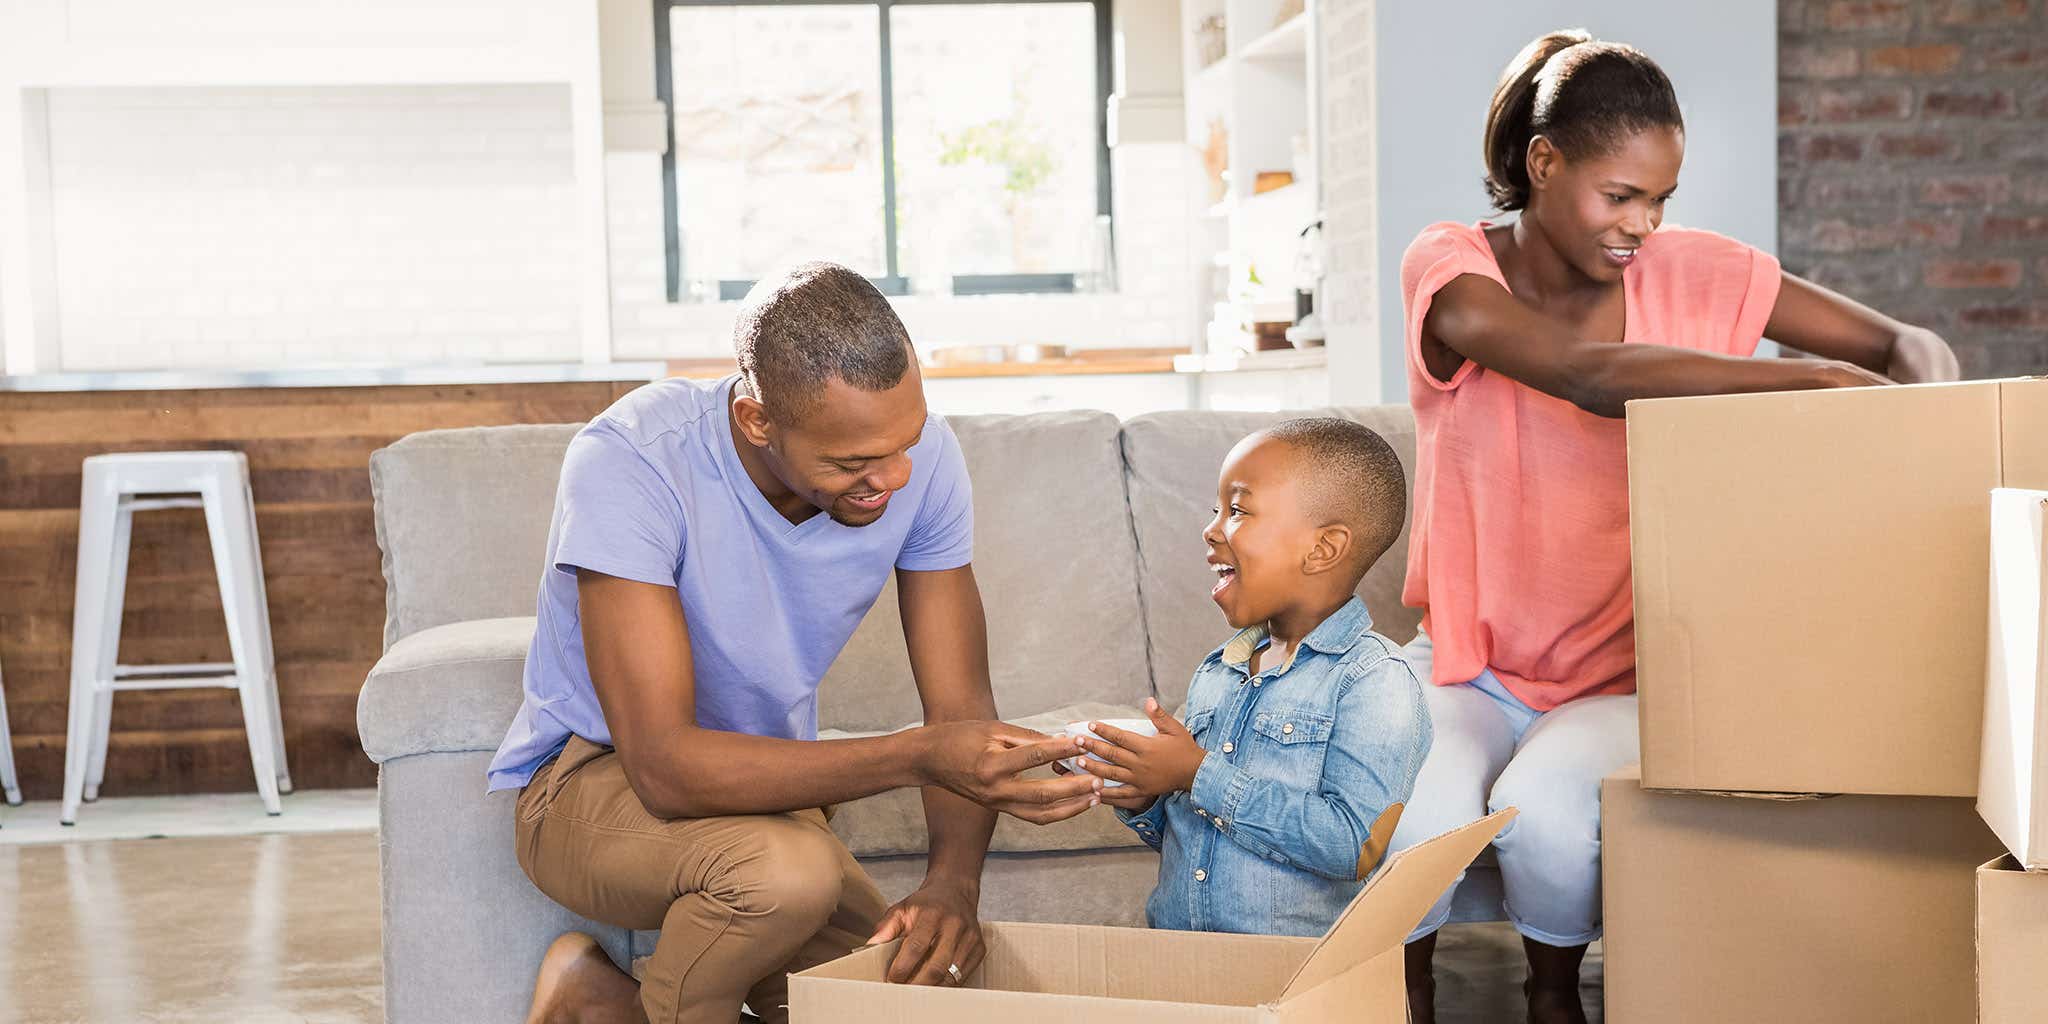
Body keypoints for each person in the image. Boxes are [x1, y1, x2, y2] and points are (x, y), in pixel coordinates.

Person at [1386, 29, 1959, 1024]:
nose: (1639, 225)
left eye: (1658, 200)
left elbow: (1901, 341)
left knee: (1545, 823)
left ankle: (1552, 1000)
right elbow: (1582, 374)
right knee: (1415, 823)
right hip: (1465, 667)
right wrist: (1804, 379)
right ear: (1542, 162)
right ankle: (1395, 1000)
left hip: (1622, 673)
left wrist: (1927, 434)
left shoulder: (1696, 272)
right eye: (1619, 196)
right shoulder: (1449, 269)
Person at [488, 262, 1104, 1024]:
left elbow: (961, 709)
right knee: (789, 875)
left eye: (904, 444)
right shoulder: (632, 460)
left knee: (906, 1003)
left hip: (770, 803)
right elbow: (665, 769)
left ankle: (602, 1004)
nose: (893, 477)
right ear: (757, 421)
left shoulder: (923, 462)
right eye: (851, 464)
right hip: (589, 784)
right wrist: (915, 752)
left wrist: (954, 883)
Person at [1073, 418, 1430, 937]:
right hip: (1182, 965)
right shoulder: (1219, 671)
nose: (1212, 528)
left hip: (1292, 982)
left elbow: (1351, 846)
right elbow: (1200, 840)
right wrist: (1147, 796)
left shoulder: (1374, 682)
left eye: (1237, 510)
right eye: (1217, 509)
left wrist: (1198, 774)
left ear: (1324, 548)